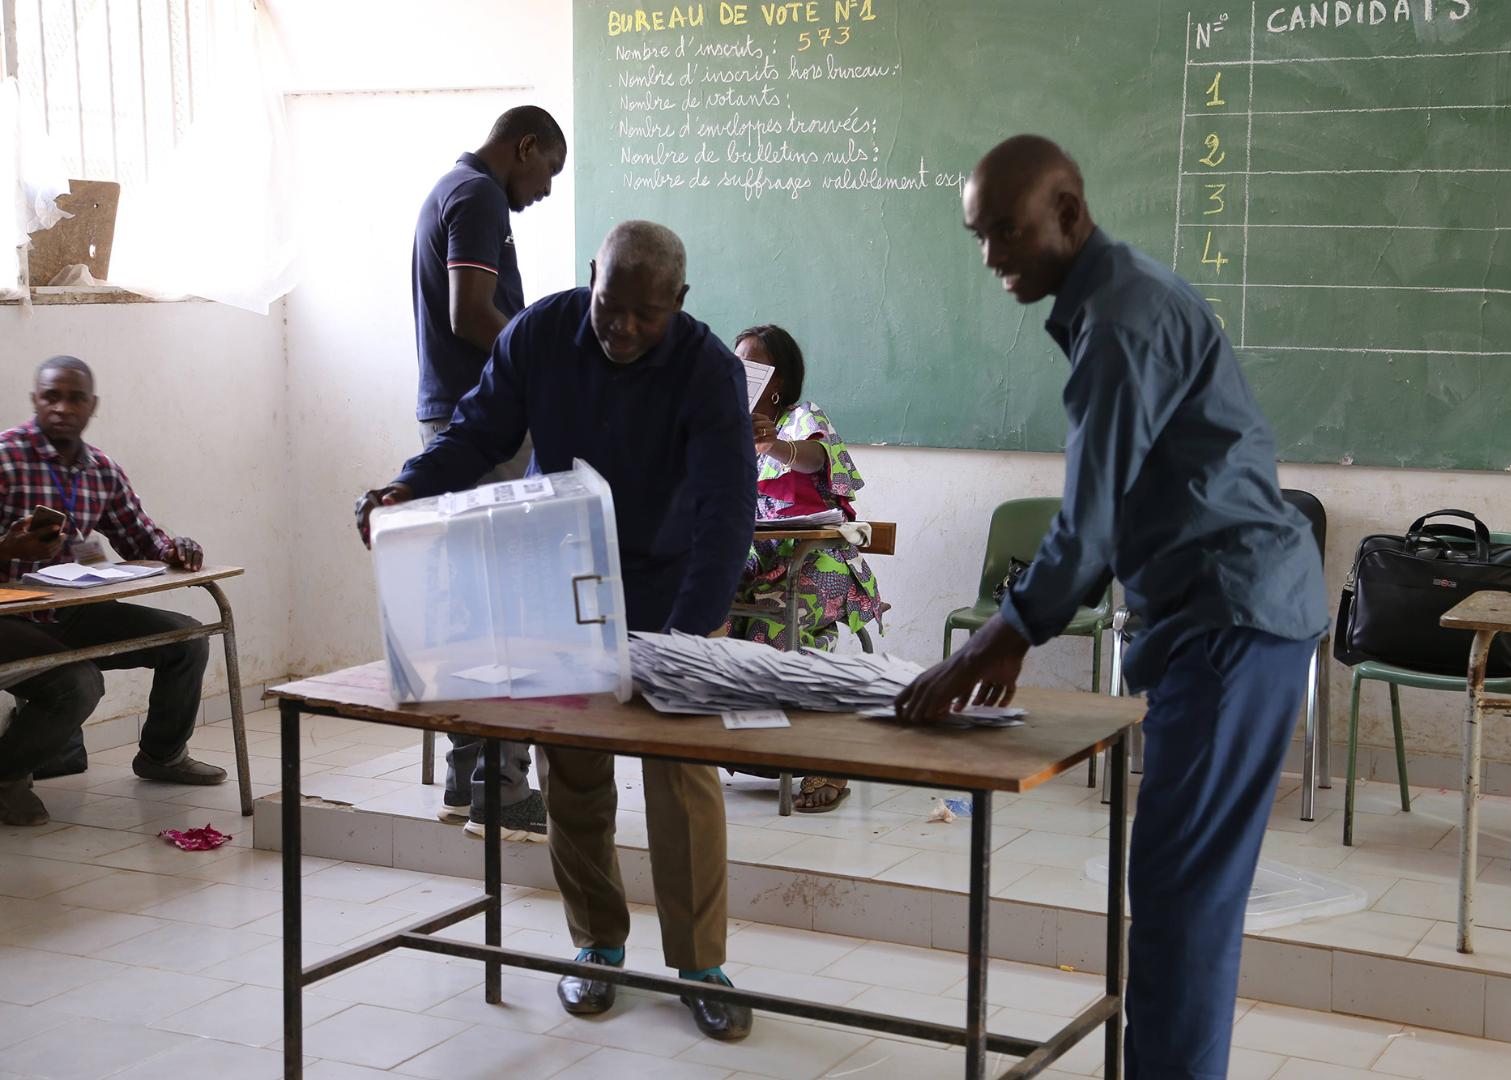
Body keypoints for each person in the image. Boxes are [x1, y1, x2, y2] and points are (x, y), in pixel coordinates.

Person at [895, 136, 1329, 1079]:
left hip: (1231, 619)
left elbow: (1086, 528)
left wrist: (991, 645)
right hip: (1231, 616)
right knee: (1188, 893)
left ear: (1070, 212)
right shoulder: (1116, 298)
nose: (991, 257)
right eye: (978, 236)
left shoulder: (1120, 323)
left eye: (1006, 231)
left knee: (1180, 900)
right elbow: (1112, 514)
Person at [356, 220, 757, 1041]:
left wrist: (686, 640)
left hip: (668, 587)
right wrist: (404, 490)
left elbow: (727, 517)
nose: (623, 328)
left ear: (677, 304)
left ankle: (700, 962)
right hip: (561, 577)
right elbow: (475, 434)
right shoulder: (541, 331)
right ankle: (598, 945)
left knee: (681, 777)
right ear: (590, 279)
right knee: (572, 771)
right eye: (611, 305)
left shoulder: (709, 371)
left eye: (646, 314)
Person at [411, 105, 568, 839]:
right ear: (524, 146)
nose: (543, 192)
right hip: (482, 423)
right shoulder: (476, 194)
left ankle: (464, 779)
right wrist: (546, 357)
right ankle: (502, 792)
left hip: (458, 417)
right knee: (508, 605)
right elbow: (472, 313)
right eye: (548, 173)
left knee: (473, 603)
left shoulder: (452, 189)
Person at [0, 356, 219, 828]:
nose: (61, 407)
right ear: (35, 399)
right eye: (50, 396)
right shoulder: (5, 459)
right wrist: (6, 548)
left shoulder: (100, 469)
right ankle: (4, 778)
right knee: (78, 683)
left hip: (67, 610)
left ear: (92, 405)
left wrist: (173, 548)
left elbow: (141, 538)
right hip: (7, 620)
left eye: (75, 398)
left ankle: (161, 756)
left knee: (187, 638)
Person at [731, 324, 883, 813]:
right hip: (763, 559)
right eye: (736, 364)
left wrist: (774, 445)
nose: (741, 373)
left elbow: (820, 458)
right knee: (708, 615)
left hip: (818, 560)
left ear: (778, 380)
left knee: (774, 630)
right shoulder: (726, 426)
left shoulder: (802, 418)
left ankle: (828, 754)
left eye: (752, 364)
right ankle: (747, 748)